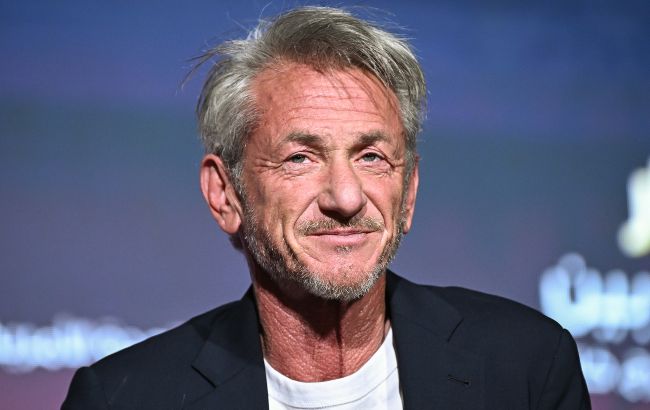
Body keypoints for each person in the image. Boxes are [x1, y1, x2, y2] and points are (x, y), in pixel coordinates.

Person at [62, 6, 590, 409]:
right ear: (225, 194)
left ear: (408, 191)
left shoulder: (527, 366)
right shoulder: (125, 398)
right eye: (300, 157)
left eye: (371, 156)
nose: (346, 197)